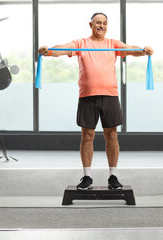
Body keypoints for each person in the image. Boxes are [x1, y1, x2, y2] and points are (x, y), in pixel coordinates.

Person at [38, 12, 154, 190]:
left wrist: (143, 51)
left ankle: (113, 176)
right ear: (90, 24)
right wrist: (49, 52)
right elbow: (62, 48)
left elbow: (130, 49)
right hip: (87, 96)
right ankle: (87, 177)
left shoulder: (112, 44)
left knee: (112, 135)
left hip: (110, 95)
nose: (102, 25)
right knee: (87, 136)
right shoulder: (81, 43)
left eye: (105, 23)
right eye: (98, 22)